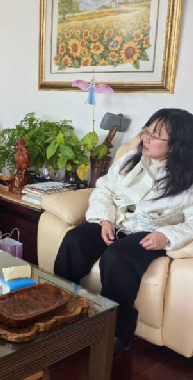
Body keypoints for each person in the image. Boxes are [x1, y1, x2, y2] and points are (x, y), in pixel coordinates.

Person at [54, 108, 193, 355]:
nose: (145, 138)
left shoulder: (188, 178)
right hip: (117, 222)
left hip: (151, 232)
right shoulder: (131, 159)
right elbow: (104, 189)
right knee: (75, 239)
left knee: (118, 258)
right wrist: (104, 219)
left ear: (176, 145)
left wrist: (166, 237)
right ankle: (60, 307)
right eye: (146, 131)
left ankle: (116, 332)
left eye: (155, 135)